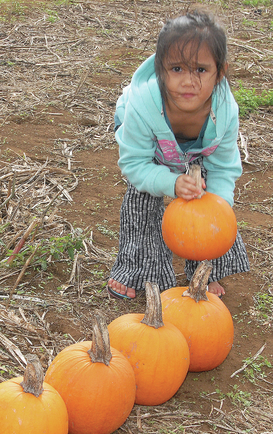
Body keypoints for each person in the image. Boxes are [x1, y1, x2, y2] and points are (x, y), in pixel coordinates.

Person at [107, 9, 250, 300]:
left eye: (200, 70)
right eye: (177, 69)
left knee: (208, 195)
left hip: (198, 150)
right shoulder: (142, 105)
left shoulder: (224, 112)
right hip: (150, 149)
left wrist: (216, 209)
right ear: (161, 70)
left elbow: (223, 167)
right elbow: (135, 164)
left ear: (219, 72)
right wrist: (170, 183)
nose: (188, 81)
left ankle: (204, 270)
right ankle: (140, 270)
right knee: (142, 201)